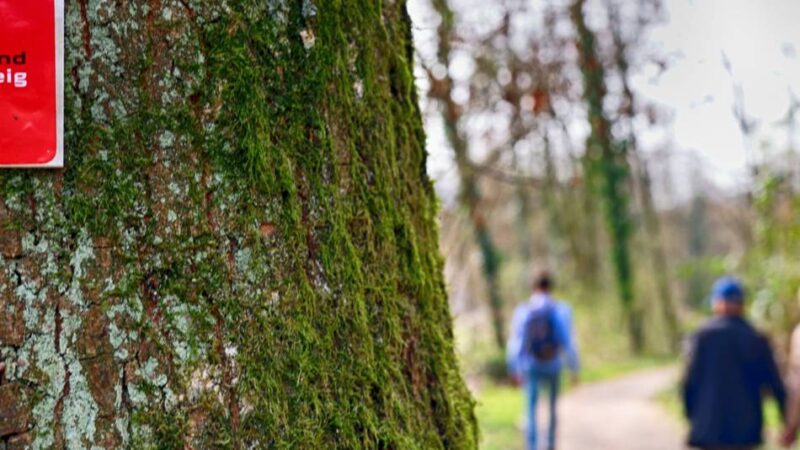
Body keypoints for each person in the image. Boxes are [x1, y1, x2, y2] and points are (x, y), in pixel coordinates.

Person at [682, 276, 786, 450]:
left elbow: (689, 382)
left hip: (708, 429)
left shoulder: (702, 336)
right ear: (741, 304)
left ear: (717, 303)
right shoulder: (755, 337)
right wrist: (786, 421)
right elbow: (774, 383)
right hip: (745, 432)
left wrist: (692, 416)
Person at [507, 271, 580, 450]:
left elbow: (516, 343)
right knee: (552, 408)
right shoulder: (560, 309)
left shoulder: (524, 310)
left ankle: (532, 447)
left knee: (531, 409)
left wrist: (513, 368)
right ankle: (550, 446)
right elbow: (567, 341)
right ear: (550, 287)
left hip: (531, 365)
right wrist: (574, 367)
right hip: (553, 364)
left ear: (533, 287)